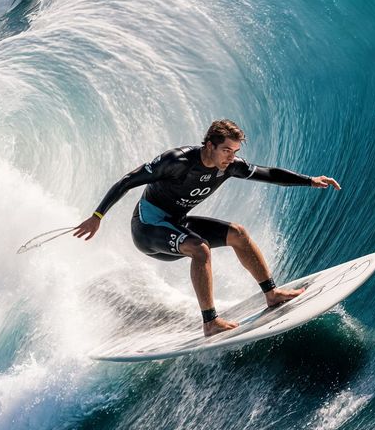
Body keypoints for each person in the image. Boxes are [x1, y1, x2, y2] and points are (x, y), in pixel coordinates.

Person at [74, 119, 340, 336]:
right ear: (210, 145)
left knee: (238, 234)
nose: (232, 157)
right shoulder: (177, 161)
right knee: (200, 249)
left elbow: (268, 174)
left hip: (177, 222)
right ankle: (210, 322)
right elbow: (128, 180)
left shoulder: (230, 167)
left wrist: (310, 180)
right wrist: (97, 216)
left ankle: (272, 294)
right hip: (147, 228)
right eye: (227, 150)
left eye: (235, 151)